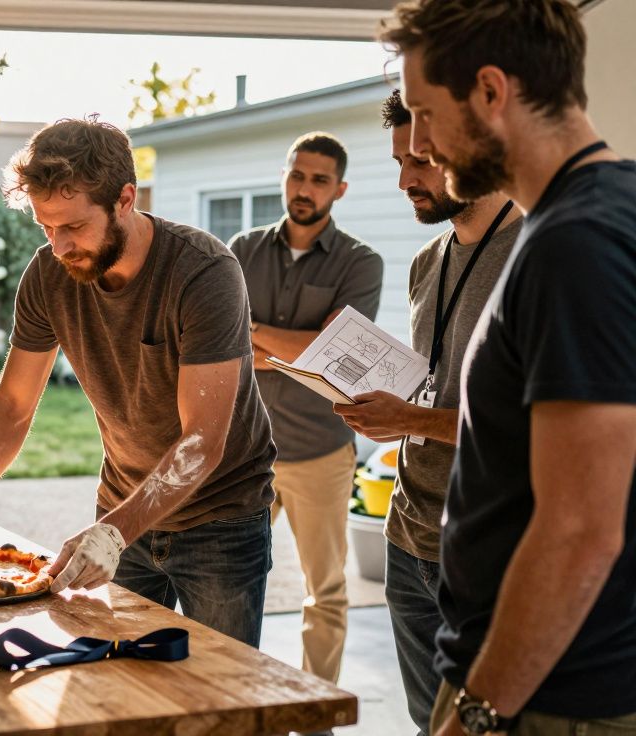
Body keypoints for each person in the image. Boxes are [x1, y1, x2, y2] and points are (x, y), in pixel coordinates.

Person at [0, 118, 277, 646]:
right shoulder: (47, 275)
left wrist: (112, 533)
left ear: (125, 199)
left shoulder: (204, 272)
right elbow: (13, 405)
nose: (58, 247)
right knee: (113, 685)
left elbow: (203, 440)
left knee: (226, 697)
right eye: (45, 227)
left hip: (220, 520)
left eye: (73, 227)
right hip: (123, 507)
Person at [380, 1, 636, 734]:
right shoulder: (597, 212)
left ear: (491, 93)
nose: (420, 142)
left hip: (553, 698)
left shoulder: (574, 243)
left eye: (426, 114)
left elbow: (581, 528)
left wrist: (480, 711)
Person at [333, 90, 521, 736]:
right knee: (424, 721)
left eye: (422, 160)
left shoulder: (534, 255)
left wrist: (408, 421)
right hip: (408, 534)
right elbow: (437, 388)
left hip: (484, 548)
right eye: (399, 162)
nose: (407, 179)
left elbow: (526, 425)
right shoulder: (425, 262)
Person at [226, 132, 384, 683]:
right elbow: (223, 347)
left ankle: (319, 703)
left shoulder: (361, 262)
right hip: (245, 452)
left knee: (327, 590)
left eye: (319, 179)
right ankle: (230, 694)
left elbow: (335, 357)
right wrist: (300, 347)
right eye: (297, 174)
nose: (305, 188)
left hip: (320, 451)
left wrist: (257, 335)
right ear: (284, 176)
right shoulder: (242, 249)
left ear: (338, 189)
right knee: (229, 584)